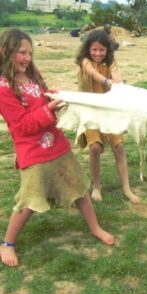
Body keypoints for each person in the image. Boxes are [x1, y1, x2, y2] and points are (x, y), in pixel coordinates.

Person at [0, 28, 115, 267]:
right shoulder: (2, 88)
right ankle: (7, 243)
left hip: (56, 144)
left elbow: (40, 101)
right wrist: (48, 110)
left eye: (30, 52)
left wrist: (50, 98)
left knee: (79, 185)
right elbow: (21, 126)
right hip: (32, 151)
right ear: (5, 52)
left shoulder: (32, 75)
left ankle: (95, 227)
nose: (27, 58)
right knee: (30, 198)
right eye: (21, 52)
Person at [75, 29, 140, 204]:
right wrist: (106, 81)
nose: (97, 53)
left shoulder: (111, 61)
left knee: (119, 147)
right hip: (90, 110)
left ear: (107, 50)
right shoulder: (84, 61)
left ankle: (126, 188)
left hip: (109, 109)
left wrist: (119, 83)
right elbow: (93, 74)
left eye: (102, 50)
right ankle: (96, 187)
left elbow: (117, 75)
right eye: (94, 50)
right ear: (88, 49)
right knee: (95, 148)